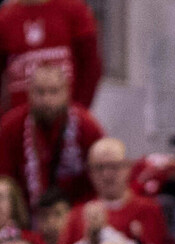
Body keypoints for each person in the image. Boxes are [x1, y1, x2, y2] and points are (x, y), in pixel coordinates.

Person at [47, 138, 168, 244]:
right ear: (89, 172)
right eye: (99, 168)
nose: (107, 174)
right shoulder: (77, 214)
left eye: (114, 166)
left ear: (128, 167)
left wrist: (102, 232)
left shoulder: (148, 210)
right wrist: (89, 243)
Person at [0, 0, 100, 111]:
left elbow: (91, 64)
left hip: (67, 115)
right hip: (19, 118)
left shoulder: (74, 7)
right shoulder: (4, 17)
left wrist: (79, 110)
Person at [0, 64, 105, 206]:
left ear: (67, 92)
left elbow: (101, 179)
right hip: (24, 217)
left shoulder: (86, 126)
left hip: (77, 216)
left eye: (54, 91)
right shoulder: (10, 127)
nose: (46, 99)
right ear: (29, 93)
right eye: (40, 92)